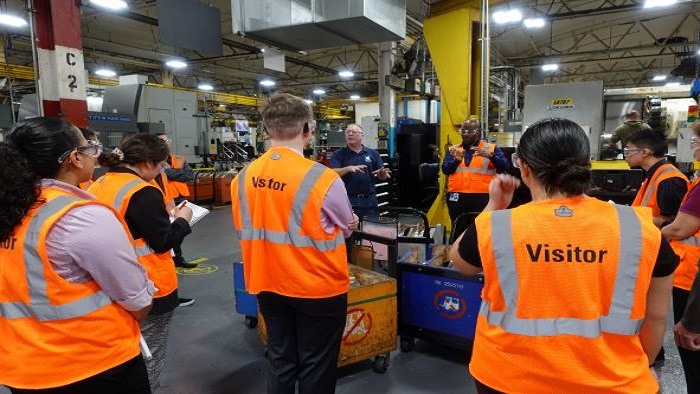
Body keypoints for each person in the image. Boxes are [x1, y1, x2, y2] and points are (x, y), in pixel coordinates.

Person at [449, 117, 677, 393]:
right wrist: (642, 365)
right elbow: (656, 318)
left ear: (524, 168)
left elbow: (459, 262)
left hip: (507, 377)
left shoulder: (497, 226)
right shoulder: (640, 230)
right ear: (587, 165)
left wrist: (494, 204)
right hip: (613, 381)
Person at [0, 117, 154, 393]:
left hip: (22, 365)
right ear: (74, 158)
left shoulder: (11, 206)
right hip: (92, 365)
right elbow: (136, 298)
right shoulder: (79, 217)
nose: (95, 154)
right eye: (89, 147)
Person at [231, 93, 358, 394]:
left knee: (280, 358)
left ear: (265, 130)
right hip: (317, 287)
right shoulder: (323, 178)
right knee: (317, 363)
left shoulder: (243, 177)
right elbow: (347, 225)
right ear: (308, 129)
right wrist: (349, 224)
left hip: (267, 283)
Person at [88, 134, 193, 393]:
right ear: (147, 163)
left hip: (107, 285)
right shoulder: (142, 191)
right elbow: (163, 241)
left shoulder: (100, 183)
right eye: (160, 166)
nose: (161, 171)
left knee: (125, 354)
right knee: (151, 354)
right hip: (148, 285)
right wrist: (182, 220)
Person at [660, 122, 700, 393]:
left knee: (694, 364)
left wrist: (651, 238)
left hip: (691, 280)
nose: (695, 145)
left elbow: (681, 228)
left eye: (698, 141)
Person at [441, 118, 509, 230]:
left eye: (470, 132)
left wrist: (491, 157)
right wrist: (456, 160)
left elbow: (505, 167)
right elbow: (445, 170)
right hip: (457, 196)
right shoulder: (453, 150)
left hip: (482, 196)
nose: (466, 135)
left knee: (481, 230)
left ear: (477, 132)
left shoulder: (491, 148)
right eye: (463, 131)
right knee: (458, 229)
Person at [625, 129, 688, 228]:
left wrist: (631, 217)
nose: (626, 155)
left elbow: (673, 224)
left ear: (645, 152)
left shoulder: (669, 181)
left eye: (628, 151)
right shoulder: (655, 174)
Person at [329, 123, 391, 219]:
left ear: (362, 135)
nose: (350, 134)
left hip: (369, 200)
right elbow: (332, 173)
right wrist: (348, 168)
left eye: (354, 132)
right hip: (348, 199)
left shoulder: (373, 153)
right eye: (348, 132)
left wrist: (381, 173)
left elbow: (382, 177)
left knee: (371, 230)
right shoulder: (338, 154)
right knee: (350, 230)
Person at [155, 133, 198, 269]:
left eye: (167, 140)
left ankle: (176, 257)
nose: (166, 143)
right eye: (162, 141)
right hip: (167, 200)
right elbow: (164, 174)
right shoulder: (156, 161)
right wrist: (178, 174)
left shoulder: (179, 159)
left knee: (182, 228)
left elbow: (189, 175)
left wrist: (171, 173)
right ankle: (175, 258)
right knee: (168, 231)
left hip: (180, 198)